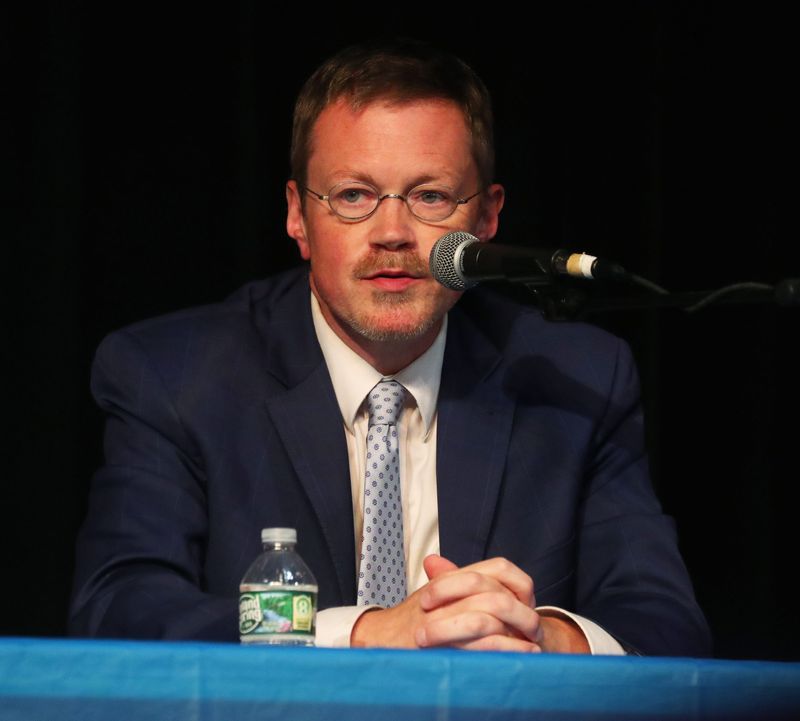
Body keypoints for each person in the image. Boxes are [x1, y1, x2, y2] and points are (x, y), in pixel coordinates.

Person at [69, 39, 711, 656]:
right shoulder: (173, 376)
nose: (394, 233)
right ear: (297, 215)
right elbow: (119, 608)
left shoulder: (577, 381)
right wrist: (367, 635)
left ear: (486, 220)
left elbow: (664, 624)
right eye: (354, 196)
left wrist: (540, 638)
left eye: (430, 195)